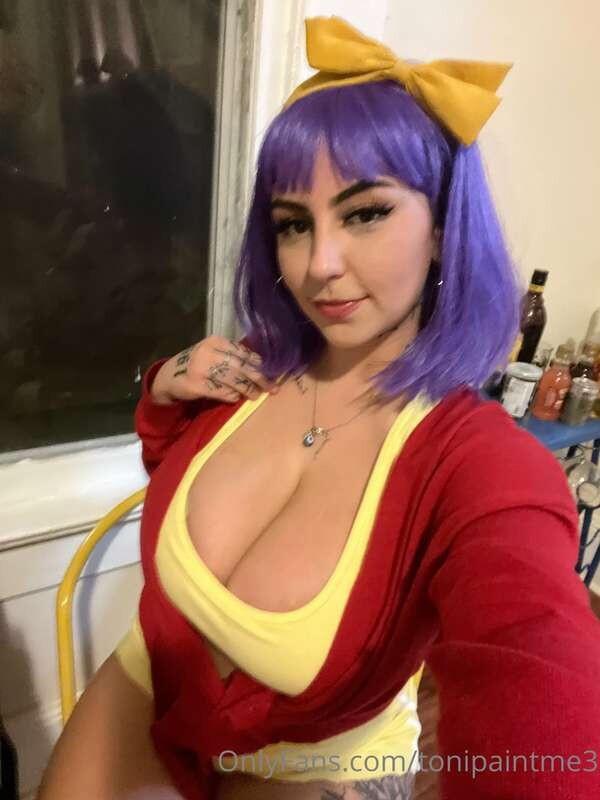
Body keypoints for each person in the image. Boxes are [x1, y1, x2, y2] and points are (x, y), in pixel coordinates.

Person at [37, 16, 600, 800]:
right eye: (293, 224)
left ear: (443, 227)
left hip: (313, 759)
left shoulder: (482, 468)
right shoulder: (258, 368)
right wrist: (161, 391)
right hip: (151, 679)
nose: (318, 265)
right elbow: (172, 469)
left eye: (366, 212)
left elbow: (535, 678)